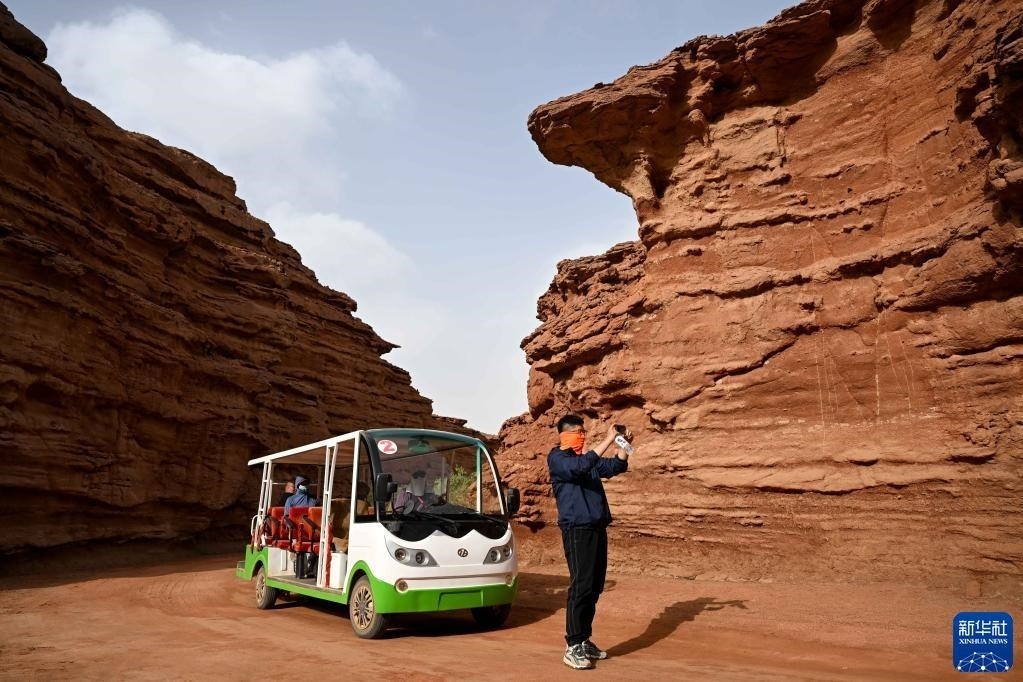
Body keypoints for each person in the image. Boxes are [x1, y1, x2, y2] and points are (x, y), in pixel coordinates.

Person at [547, 414, 632, 670]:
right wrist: (608, 438)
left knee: (594, 587)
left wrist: (624, 445)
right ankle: (573, 645)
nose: (582, 436)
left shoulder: (586, 460)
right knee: (581, 586)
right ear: (564, 434)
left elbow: (616, 467)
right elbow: (579, 468)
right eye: (577, 432)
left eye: (583, 432)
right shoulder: (558, 459)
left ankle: (583, 639)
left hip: (596, 528)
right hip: (577, 530)